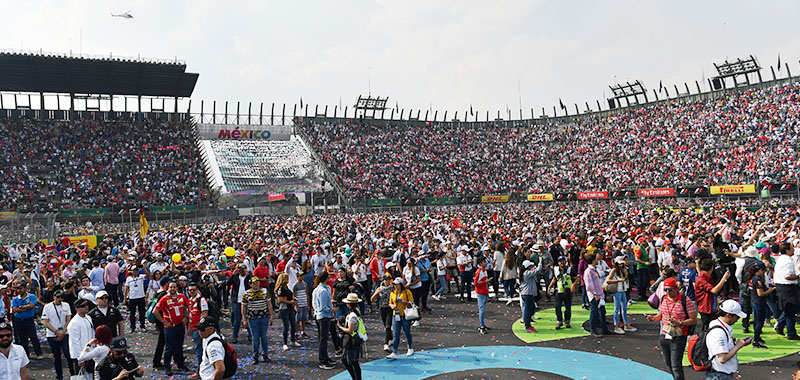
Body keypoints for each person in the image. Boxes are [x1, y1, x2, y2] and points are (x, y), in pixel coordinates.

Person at [645, 277, 697, 380]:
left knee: (676, 365)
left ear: (676, 288)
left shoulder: (685, 300)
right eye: (665, 289)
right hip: (664, 334)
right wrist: (654, 318)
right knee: (668, 362)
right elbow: (662, 315)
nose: (668, 292)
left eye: (670, 289)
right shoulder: (664, 299)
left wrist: (679, 323)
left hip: (679, 336)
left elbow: (694, 320)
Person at [705, 300, 751, 380]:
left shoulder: (720, 326)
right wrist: (737, 346)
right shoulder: (718, 332)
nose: (738, 319)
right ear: (728, 315)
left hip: (719, 374)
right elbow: (722, 359)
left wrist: (739, 344)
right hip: (720, 375)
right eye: (737, 317)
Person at [153, 281, 190, 376]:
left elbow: (188, 307)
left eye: (174, 287)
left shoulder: (182, 297)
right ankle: (167, 367)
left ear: (177, 288)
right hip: (169, 327)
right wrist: (163, 321)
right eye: (171, 287)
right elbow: (155, 311)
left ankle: (180, 364)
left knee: (179, 346)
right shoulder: (164, 298)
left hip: (180, 326)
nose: (172, 289)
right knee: (169, 347)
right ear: (168, 288)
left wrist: (186, 317)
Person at [42, 289, 75, 380]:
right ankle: (59, 376)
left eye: (62, 297)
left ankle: (73, 373)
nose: (60, 299)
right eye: (58, 297)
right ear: (54, 297)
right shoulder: (48, 307)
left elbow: (68, 318)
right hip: (52, 334)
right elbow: (45, 322)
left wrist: (63, 331)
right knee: (57, 357)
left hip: (64, 333)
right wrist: (56, 332)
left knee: (68, 354)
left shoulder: (66, 305)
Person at [242, 277, 274, 363]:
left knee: (264, 337)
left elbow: (269, 304)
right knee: (255, 338)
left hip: (263, 317)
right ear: (250, 284)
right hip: (252, 318)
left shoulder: (264, 291)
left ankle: (265, 355)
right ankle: (255, 357)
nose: (256, 284)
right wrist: (244, 318)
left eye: (257, 282)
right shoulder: (246, 293)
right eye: (254, 283)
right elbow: (244, 306)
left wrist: (271, 316)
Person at [312, 271, 339, 370]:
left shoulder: (318, 289)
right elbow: (323, 307)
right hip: (323, 317)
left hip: (320, 316)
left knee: (323, 338)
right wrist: (333, 310)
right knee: (323, 339)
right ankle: (323, 360)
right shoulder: (322, 291)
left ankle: (325, 357)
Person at [696, 258, 730, 331]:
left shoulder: (708, 277)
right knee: (706, 329)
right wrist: (724, 279)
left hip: (711, 307)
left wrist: (717, 305)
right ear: (711, 268)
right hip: (705, 309)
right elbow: (714, 290)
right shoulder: (701, 279)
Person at [774, 242, 799, 340]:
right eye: (792, 248)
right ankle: (791, 333)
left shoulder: (781, 258)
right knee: (791, 310)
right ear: (788, 250)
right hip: (787, 287)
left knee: (788, 309)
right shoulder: (788, 261)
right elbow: (788, 276)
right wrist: (798, 276)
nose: (793, 250)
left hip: (781, 286)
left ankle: (780, 325)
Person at [10, 281, 42, 359]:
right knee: (22, 339)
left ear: (25, 288)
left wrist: (20, 307)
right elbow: (14, 309)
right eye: (18, 289)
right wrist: (25, 308)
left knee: (33, 337)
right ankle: (26, 355)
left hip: (29, 320)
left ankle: (38, 353)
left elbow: (32, 305)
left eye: (21, 288)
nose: (20, 290)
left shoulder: (31, 296)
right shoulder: (15, 299)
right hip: (19, 321)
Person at [338, 293, 365, 380]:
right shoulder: (356, 311)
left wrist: (340, 326)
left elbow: (350, 330)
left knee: (352, 361)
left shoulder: (353, 315)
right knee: (349, 360)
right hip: (353, 339)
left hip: (352, 340)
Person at [583, 253, 611, 337]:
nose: (597, 260)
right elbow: (589, 285)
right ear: (592, 261)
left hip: (600, 293)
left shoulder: (594, 269)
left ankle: (604, 329)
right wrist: (595, 294)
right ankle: (593, 330)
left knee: (602, 312)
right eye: (595, 259)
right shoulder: (588, 271)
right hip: (595, 295)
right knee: (594, 313)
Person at [606, 255, 636, 334]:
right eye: (619, 264)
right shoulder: (614, 270)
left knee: (624, 308)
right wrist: (617, 281)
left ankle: (626, 324)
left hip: (623, 290)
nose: (621, 265)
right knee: (616, 309)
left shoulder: (623, 270)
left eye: (622, 263)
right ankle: (616, 326)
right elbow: (608, 280)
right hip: (617, 290)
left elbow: (626, 280)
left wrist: (625, 274)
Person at [387, 277, 414, 360]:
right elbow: (390, 303)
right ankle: (394, 351)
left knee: (407, 332)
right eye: (394, 284)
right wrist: (392, 306)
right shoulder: (393, 293)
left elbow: (412, 302)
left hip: (405, 314)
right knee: (396, 334)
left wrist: (404, 302)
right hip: (396, 315)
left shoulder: (407, 292)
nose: (395, 286)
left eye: (397, 284)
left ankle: (410, 347)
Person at [225, 264, 253, 344]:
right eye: (240, 269)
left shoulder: (248, 277)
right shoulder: (235, 276)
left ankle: (250, 335)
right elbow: (228, 284)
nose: (241, 271)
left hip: (247, 300)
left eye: (243, 269)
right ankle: (235, 336)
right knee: (237, 319)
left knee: (248, 318)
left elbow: (255, 282)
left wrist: (249, 274)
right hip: (237, 300)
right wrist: (233, 274)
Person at [187, 282, 209, 377]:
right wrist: (189, 328)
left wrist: (202, 329)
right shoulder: (190, 300)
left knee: (200, 351)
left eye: (193, 290)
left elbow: (205, 315)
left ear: (197, 290)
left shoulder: (201, 300)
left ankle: (201, 372)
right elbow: (190, 315)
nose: (192, 292)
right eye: (190, 290)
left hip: (199, 329)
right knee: (199, 350)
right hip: (193, 328)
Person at [548, 256, 576, 330]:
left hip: (567, 291)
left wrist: (573, 285)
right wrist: (549, 286)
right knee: (557, 307)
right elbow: (554, 279)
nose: (562, 263)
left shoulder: (570, 269)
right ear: (558, 262)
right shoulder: (556, 269)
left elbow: (576, 278)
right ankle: (559, 321)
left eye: (563, 261)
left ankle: (567, 321)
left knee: (568, 307)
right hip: (559, 290)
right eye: (560, 261)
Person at [68, 298, 95, 373]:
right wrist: (80, 359)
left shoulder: (88, 317)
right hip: (81, 355)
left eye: (86, 305)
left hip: (90, 353)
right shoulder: (74, 323)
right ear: (77, 309)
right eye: (83, 306)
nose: (86, 307)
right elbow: (74, 342)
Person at [275, 273, 300, 351]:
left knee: (293, 324)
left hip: (290, 308)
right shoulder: (281, 289)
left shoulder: (286, 288)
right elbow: (280, 300)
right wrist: (291, 302)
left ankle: (293, 340)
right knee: (286, 326)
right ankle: (285, 343)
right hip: (284, 309)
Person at [371, 274, 394, 352]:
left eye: (388, 280)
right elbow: (372, 299)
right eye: (386, 280)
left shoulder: (392, 288)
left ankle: (386, 343)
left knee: (388, 326)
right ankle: (390, 338)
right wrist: (376, 293)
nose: (387, 281)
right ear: (383, 281)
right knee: (386, 326)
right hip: (382, 309)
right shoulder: (380, 288)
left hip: (390, 308)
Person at [123, 265, 147, 332]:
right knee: (132, 313)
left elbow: (148, 275)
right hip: (132, 297)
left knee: (142, 312)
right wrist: (125, 298)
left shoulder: (141, 277)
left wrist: (144, 268)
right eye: (134, 270)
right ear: (132, 271)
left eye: (136, 270)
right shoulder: (129, 279)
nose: (135, 272)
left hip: (141, 297)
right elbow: (126, 289)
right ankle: (132, 327)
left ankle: (142, 325)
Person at [519, 260, 541, 333]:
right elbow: (537, 271)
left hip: (526, 294)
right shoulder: (527, 273)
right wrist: (540, 262)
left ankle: (526, 322)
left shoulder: (524, 273)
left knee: (529, 309)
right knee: (528, 310)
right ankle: (527, 326)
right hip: (527, 294)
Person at [474, 256, 490, 334]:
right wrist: (485, 282)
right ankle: (481, 326)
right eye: (484, 262)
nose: (486, 263)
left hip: (485, 291)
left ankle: (482, 324)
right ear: (481, 263)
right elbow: (475, 283)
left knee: (483, 309)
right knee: (482, 309)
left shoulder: (485, 271)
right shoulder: (479, 272)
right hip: (481, 293)